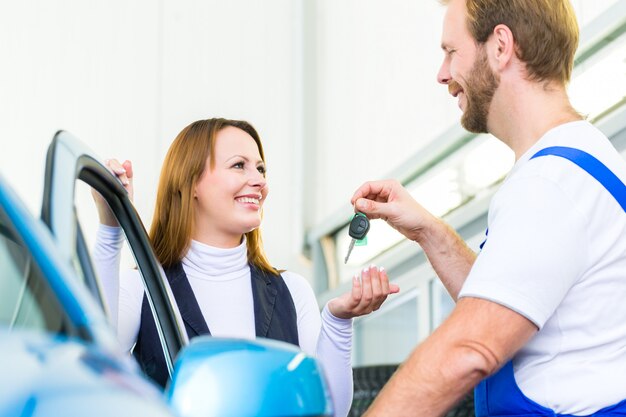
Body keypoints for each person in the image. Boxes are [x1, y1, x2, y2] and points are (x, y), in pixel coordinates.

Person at [351, 0, 626, 416]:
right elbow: (509, 297)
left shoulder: (551, 182)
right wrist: (428, 230)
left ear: (500, 46)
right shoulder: (574, 163)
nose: (442, 74)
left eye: (450, 51)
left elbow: (469, 349)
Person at [92, 118, 399, 417]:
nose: (260, 181)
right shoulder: (141, 288)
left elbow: (332, 409)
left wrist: (338, 321)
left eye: (260, 168)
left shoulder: (291, 291)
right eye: (239, 165)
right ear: (191, 182)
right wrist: (111, 230)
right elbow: (94, 366)